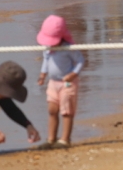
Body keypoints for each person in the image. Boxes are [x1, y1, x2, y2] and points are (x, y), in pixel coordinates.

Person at [35, 15, 84, 148]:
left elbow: (80, 61)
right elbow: (46, 61)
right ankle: (51, 138)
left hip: (67, 84)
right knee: (52, 109)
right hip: (53, 82)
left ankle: (64, 139)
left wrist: (73, 74)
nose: (50, 43)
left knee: (66, 111)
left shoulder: (68, 48)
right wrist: (42, 75)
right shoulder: (48, 48)